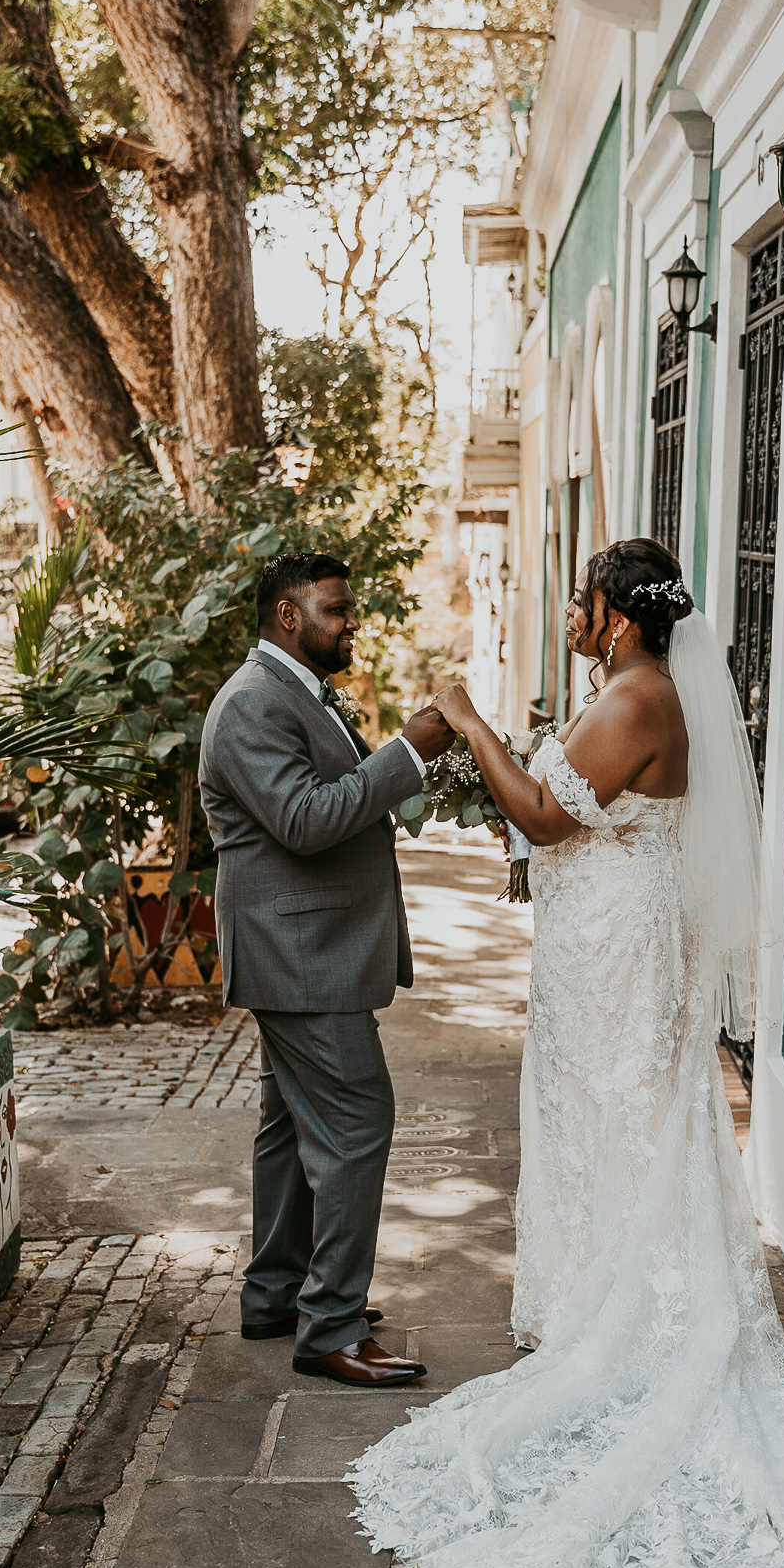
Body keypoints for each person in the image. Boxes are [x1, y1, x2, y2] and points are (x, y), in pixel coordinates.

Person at [350, 538, 784, 1568]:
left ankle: (629, 1321)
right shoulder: (630, 687)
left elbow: (545, 814)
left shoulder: (638, 697)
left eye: (582, 598)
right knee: (596, 1125)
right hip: (600, 951)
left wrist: (472, 724)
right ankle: (597, 1300)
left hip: (620, 962)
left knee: (622, 1121)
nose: (571, 611)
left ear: (618, 613)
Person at [199, 551, 453, 1387]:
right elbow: (305, 820)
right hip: (300, 958)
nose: (351, 622)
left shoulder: (290, 690)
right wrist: (409, 752)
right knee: (353, 1128)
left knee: (289, 1131)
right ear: (287, 617)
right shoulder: (250, 706)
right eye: (337, 610)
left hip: (306, 949)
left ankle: (276, 1295)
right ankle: (331, 1329)